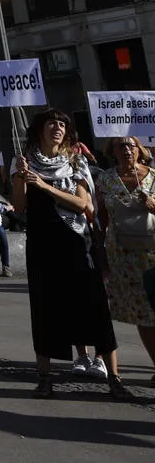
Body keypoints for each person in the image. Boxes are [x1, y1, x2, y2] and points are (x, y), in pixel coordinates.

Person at [10, 111, 123, 398]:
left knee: (94, 308)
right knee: (45, 308)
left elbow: (84, 205)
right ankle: (45, 377)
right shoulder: (24, 162)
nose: (57, 128)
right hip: (43, 244)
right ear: (39, 130)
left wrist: (44, 185)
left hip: (76, 243)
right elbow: (19, 206)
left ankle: (115, 379)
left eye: (62, 124)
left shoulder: (75, 161)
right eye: (52, 123)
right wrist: (22, 179)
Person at [95, 136, 155, 384]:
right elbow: (100, 216)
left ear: (139, 150)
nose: (127, 149)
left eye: (131, 145)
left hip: (153, 251)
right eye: (121, 145)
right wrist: (101, 252)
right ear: (113, 151)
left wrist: (153, 204)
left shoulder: (153, 175)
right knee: (143, 314)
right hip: (124, 255)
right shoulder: (106, 179)